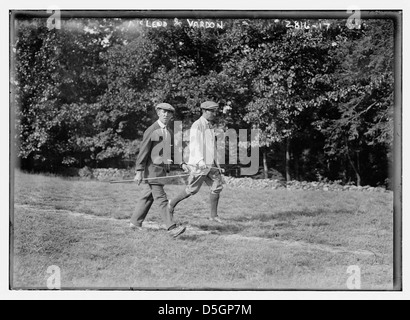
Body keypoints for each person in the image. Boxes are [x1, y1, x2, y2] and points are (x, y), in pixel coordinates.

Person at [130, 103, 186, 238]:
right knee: (161, 199)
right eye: (163, 112)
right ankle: (171, 227)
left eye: (169, 113)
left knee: (147, 197)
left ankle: (135, 223)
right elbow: (143, 151)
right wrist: (139, 171)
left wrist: (182, 163)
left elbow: (172, 153)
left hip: (160, 171)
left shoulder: (169, 132)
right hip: (152, 171)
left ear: (172, 116)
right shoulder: (152, 130)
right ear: (158, 113)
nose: (166, 115)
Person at [168, 101, 224, 223]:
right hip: (200, 164)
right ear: (204, 111)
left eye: (215, 111)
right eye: (212, 111)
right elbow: (195, 145)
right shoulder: (197, 125)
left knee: (217, 185)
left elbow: (211, 146)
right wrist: (200, 160)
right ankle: (171, 204)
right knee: (192, 190)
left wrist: (217, 164)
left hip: (210, 164)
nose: (214, 113)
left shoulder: (209, 125)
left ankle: (213, 216)